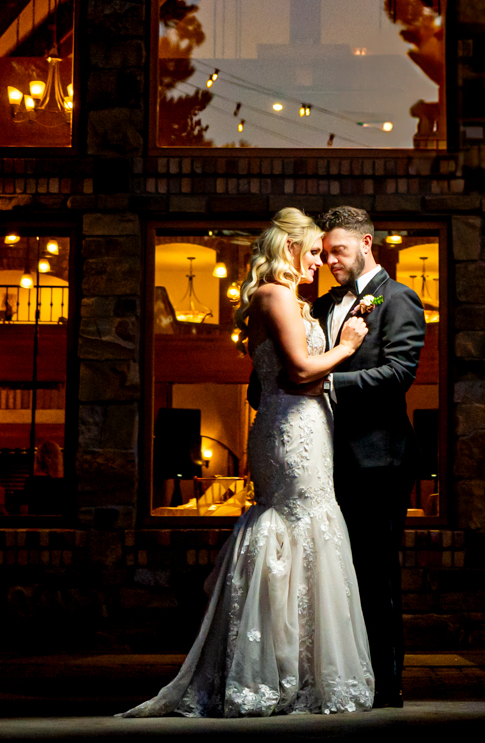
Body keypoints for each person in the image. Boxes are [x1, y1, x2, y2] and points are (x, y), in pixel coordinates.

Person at [123, 209, 375, 717]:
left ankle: (301, 672)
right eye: (311, 252)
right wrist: (346, 347)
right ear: (289, 249)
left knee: (313, 533)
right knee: (291, 530)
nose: (319, 262)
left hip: (309, 429)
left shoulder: (290, 300)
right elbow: (300, 371)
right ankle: (262, 672)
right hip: (289, 433)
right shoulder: (274, 296)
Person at [309, 205, 426, 709]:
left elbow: (400, 373)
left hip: (378, 462)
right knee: (333, 575)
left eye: (339, 251)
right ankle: (342, 678)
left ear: (366, 243)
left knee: (375, 573)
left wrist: (326, 382)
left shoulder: (399, 299)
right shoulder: (325, 303)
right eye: (326, 252)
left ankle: (386, 683)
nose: (331, 260)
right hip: (325, 461)